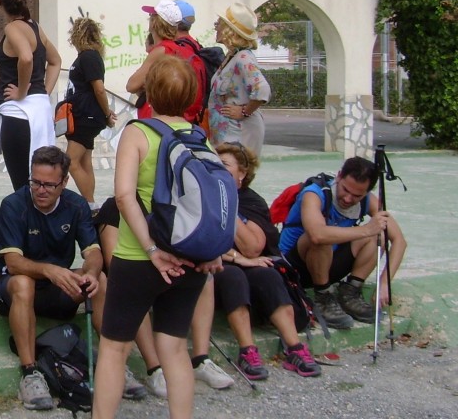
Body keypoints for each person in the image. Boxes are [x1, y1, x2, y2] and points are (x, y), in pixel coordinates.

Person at [92, 55, 222, 419]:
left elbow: (123, 196)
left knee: (114, 349)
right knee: (175, 349)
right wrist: (213, 250)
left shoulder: (138, 132)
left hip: (139, 258)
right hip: (190, 257)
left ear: (150, 90)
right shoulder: (200, 138)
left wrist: (151, 249)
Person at [0, 146, 115, 410]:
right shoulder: (13, 205)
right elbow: (12, 263)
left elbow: (93, 252)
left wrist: (89, 272)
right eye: (35, 182)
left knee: (99, 279)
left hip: (55, 288)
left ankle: (112, 364)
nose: (40, 190)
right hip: (8, 287)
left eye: (48, 184)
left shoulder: (76, 204)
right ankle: (30, 373)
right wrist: (49, 270)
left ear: (64, 182)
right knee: (24, 282)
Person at [212, 143, 321, 378]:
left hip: (251, 262)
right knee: (233, 275)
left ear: (242, 173)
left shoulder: (252, 202)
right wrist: (236, 258)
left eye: (224, 166)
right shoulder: (202, 198)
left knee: (268, 274)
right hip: (216, 263)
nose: (217, 171)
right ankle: (247, 351)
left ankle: (294, 347)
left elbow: (252, 248)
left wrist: (227, 203)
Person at [279, 156, 406, 330]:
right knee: (322, 237)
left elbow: (399, 240)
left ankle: (351, 292)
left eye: (357, 195)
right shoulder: (314, 193)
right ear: (339, 176)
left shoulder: (368, 200)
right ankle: (323, 297)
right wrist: (367, 229)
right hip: (294, 267)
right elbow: (317, 235)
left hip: (329, 263)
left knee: (380, 236)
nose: (348, 198)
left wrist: (385, 283)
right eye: (345, 190)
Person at [0, 0, 61, 193]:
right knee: (42, 186)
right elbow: (56, 61)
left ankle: (26, 226)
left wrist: (22, 92)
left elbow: (26, 57)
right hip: (39, 114)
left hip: (19, 116)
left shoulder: (12, 28)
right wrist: (42, 93)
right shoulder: (36, 28)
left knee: (23, 188)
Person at [62, 15, 116, 210]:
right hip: (83, 115)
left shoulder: (89, 57)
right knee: (85, 161)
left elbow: (99, 89)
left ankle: (90, 204)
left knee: (70, 161)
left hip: (86, 116)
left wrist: (107, 113)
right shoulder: (87, 57)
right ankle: (90, 201)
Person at [126, 0, 205, 124]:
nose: (149, 19)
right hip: (178, 119)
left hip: (155, 118)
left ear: (154, 23)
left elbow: (131, 85)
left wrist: (145, 86)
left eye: (151, 16)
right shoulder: (182, 48)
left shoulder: (162, 50)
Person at [208, 3, 271, 157]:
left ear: (230, 31)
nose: (216, 28)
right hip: (227, 133)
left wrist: (244, 111)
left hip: (238, 133)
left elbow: (262, 89)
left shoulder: (243, 58)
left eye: (219, 24)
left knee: (236, 176)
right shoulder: (232, 56)